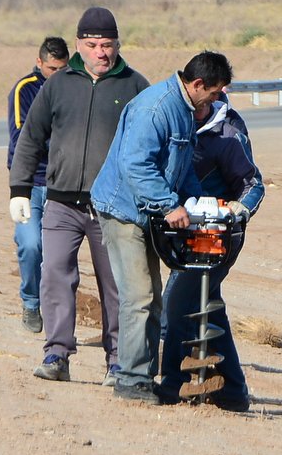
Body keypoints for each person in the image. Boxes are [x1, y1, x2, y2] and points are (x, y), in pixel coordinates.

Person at [9, 7, 150, 386]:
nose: (100, 52)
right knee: (54, 275)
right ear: (78, 45)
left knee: (117, 284)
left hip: (113, 208)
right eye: (92, 45)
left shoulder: (136, 87)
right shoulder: (58, 84)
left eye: (107, 45)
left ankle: (119, 361)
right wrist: (19, 189)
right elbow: (31, 138)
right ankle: (57, 354)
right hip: (60, 202)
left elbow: (154, 144)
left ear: (118, 44)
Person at [91, 51, 233, 404]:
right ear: (198, 84)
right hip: (123, 211)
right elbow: (135, 165)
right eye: (215, 93)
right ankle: (130, 378)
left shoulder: (185, 111)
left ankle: (144, 376)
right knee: (140, 297)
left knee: (152, 297)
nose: (217, 100)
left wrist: (202, 202)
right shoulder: (155, 108)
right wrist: (169, 205)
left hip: (145, 212)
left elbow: (180, 167)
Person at [158, 91, 263, 411]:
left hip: (219, 236)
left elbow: (253, 184)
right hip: (186, 235)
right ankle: (233, 390)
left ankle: (173, 383)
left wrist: (240, 209)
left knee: (176, 306)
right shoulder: (179, 126)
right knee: (208, 306)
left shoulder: (227, 134)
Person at [5, 36, 69, 333]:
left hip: (61, 183)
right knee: (31, 245)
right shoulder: (25, 89)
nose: (57, 74)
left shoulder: (73, 86)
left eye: (63, 68)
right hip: (30, 183)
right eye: (52, 68)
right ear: (39, 61)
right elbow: (22, 140)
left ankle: (57, 313)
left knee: (58, 255)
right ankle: (30, 303)